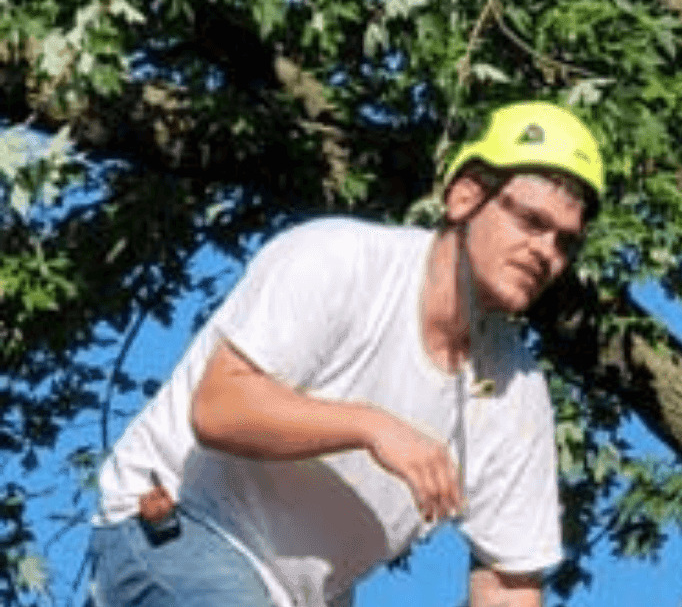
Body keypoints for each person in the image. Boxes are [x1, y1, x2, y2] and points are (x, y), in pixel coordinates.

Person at [87, 101, 606, 607]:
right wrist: (373, 427)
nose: (547, 252)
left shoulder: (516, 390)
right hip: (181, 524)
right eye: (532, 222)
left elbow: (509, 581)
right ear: (465, 196)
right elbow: (219, 408)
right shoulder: (341, 261)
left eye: (565, 242)